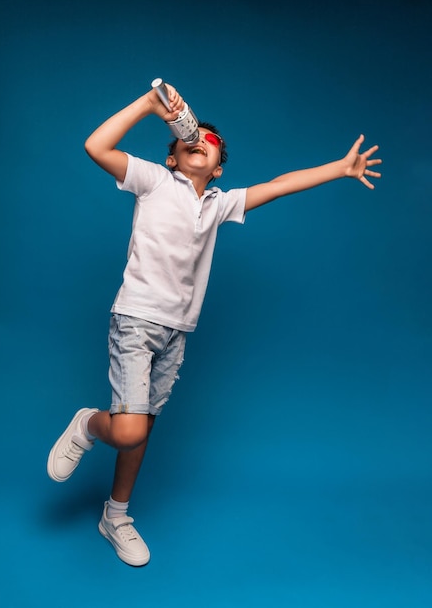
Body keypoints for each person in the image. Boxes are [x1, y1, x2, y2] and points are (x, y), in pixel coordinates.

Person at [47, 83, 382, 567]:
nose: (198, 139)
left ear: (218, 166)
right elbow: (95, 146)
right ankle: (87, 424)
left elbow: (279, 184)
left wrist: (339, 168)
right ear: (172, 158)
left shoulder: (220, 203)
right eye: (190, 137)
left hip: (177, 330)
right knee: (125, 430)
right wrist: (147, 105)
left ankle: (115, 515)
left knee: (142, 429)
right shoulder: (154, 182)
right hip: (137, 318)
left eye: (208, 140)